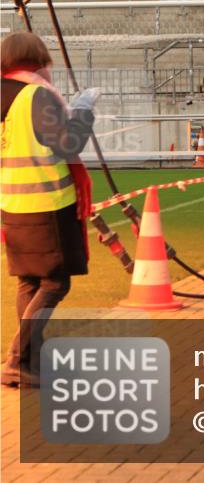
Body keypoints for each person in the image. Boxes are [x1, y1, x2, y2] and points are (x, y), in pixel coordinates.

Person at [1, 31, 99, 387]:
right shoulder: (36, 95)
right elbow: (69, 142)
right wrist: (84, 109)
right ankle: (17, 358)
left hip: (13, 205)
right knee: (56, 282)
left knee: (29, 281)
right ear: (39, 60)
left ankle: (30, 360)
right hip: (46, 203)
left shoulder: (4, 96)